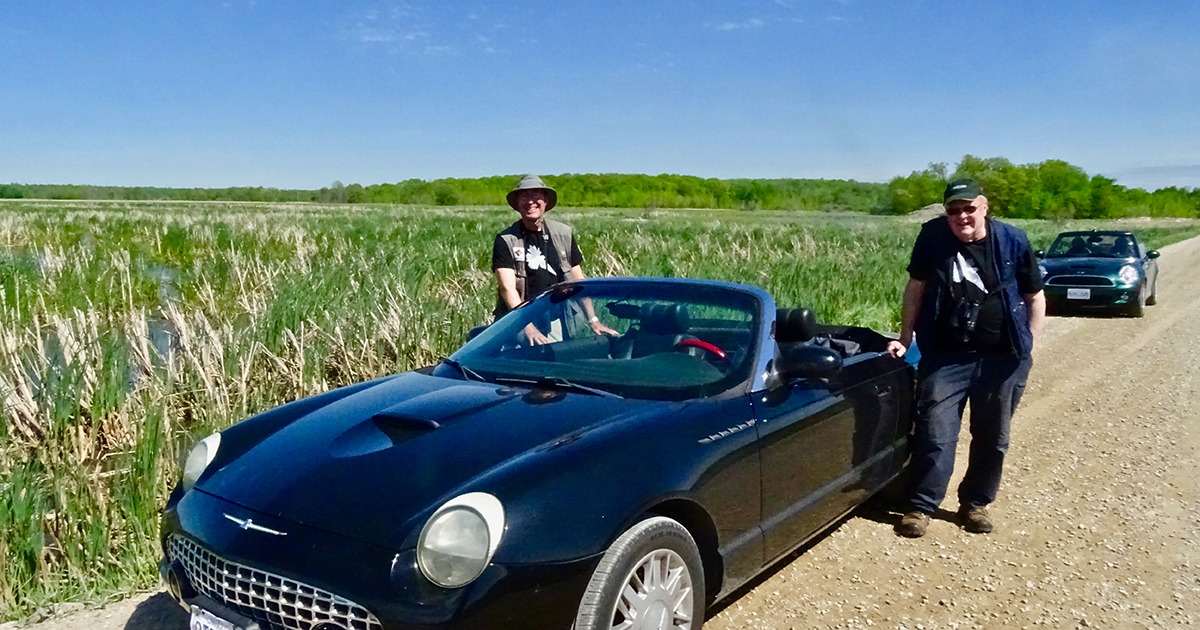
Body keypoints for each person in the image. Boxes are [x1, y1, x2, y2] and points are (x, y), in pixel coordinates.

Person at [885, 178, 1046, 538]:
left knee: (992, 436)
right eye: (954, 210)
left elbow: (1035, 296)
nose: (962, 216)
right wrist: (904, 337)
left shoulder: (1012, 240)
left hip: (1002, 357)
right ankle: (921, 506)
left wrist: (1029, 345)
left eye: (969, 208)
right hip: (946, 355)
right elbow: (916, 289)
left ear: (984, 207)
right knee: (935, 432)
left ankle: (975, 504)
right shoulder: (932, 238)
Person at [492, 174, 617, 345]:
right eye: (525, 196)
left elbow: (578, 282)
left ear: (545, 201)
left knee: (556, 362)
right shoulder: (506, 239)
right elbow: (509, 290)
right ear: (517, 204)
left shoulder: (563, 234)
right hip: (519, 321)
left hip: (556, 318)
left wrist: (593, 320)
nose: (531, 202)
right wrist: (528, 328)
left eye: (536, 195)